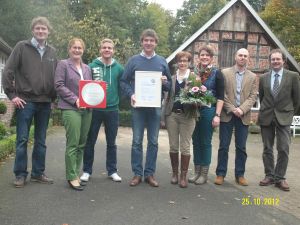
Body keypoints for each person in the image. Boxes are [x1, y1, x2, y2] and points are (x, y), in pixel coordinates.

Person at [2, 17, 57, 187]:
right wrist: (12, 95)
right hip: (25, 102)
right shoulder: (21, 47)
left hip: (45, 103)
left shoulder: (52, 52)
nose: (41, 31)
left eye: (44, 29)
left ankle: (38, 173)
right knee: (22, 139)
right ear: (33, 30)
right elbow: (7, 72)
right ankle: (20, 174)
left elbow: (56, 77)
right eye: (38, 28)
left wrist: (54, 99)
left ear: (48, 31)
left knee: (41, 140)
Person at [120, 29, 171, 187]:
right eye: (146, 40)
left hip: (155, 107)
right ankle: (137, 173)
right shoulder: (133, 60)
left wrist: (164, 82)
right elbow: (123, 81)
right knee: (136, 141)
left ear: (156, 43)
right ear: (141, 42)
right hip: (138, 107)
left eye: (152, 40)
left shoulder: (162, 61)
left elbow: (169, 85)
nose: (148, 43)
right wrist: (131, 94)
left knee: (153, 141)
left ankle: (149, 173)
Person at [80, 39, 124, 183]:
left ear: (113, 51)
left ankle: (112, 171)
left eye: (109, 48)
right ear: (100, 49)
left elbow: (122, 87)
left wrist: (116, 99)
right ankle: (86, 171)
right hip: (94, 110)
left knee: (111, 142)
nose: (107, 50)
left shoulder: (119, 68)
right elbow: (85, 86)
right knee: (90, 141)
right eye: (104, 47)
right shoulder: (91, 66)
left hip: (112, 110)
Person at [257, 49, 300, 191]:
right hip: (267, 116)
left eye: (278, 59)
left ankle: (280, 178)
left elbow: (297, 99)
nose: (275, 61)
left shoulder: (293, 76)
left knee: (283, 148)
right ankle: (269, 175)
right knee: (267, 148)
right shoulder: (263, 78)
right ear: (270, 61)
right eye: (273, 59)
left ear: (283, 61)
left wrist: (289, 112)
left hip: (284, 117)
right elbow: (262, 97)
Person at [214, 48, 257, 186]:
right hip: (227, 115)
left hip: (243, 116)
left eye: (245, 56)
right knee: (223, 146)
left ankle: (240, 175)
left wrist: (242, 109)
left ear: (248, 58)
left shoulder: (253, 77)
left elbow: (253, 96)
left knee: (241, 148)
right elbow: (222, 94)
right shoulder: (225, 73)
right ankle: (220, 174)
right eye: (240, 55)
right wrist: (233, 109)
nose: (242, 57)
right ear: (235, 57)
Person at [55, 38, 92, 191]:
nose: (77, 50)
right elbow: (58, 85)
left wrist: (99, 90)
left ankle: (76, 173)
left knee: (82, 144)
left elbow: (90, 87)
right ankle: (71, 176)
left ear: (83, 50)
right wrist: (75, 99)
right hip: (71, 108)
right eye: (74, 47)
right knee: (73, 143)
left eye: (80, 48)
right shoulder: (63, 64)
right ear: (69, 49)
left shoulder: (87, 68)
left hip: (87, 110)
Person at [188, 46, 224, 185]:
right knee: (195, 141)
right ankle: (196, 171)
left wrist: (217, 115)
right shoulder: (193, 73)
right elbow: (188, 90)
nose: (204, 57)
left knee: (205, 142)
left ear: (211, 58)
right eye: (202, 55)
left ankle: (204, 174)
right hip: (193, 110)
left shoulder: (217, 73)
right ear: (199, 57)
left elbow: (221, 96)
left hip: (209, 110)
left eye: (207, 55)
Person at [164, 51, 197, 188]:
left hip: (188, 116)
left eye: (185, 61)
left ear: (189, 62)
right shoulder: (171, 78)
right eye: (180, 61)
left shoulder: (195, 78)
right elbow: (167, 97)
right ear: (177, 63)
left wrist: (197, 101)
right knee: (173, 146)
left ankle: (183, 176)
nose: (182, 63)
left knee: (185, 147)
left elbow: (200, 97)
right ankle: (174, 174)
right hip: (172, 115)